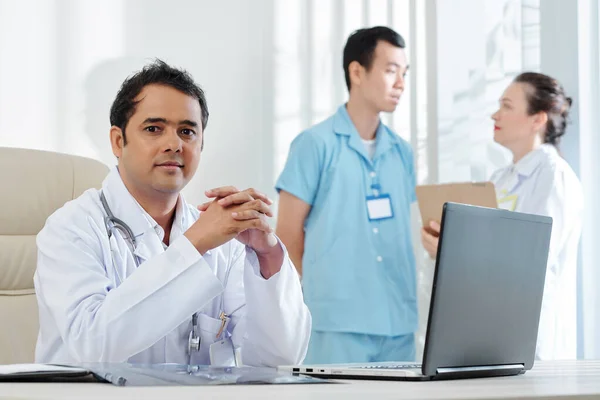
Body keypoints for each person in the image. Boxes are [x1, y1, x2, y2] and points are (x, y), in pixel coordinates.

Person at [34, 60, 311, 366]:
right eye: (154, 129)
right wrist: (193, 246)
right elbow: (91, 345)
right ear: (117, 141)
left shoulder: (225, 240)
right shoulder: (72, 228)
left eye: (187, 131)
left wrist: (267, 255)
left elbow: (279, 360)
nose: (174, 144)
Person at [275, 26, 417, 364]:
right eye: (391, 70)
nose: (400, 83)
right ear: (357, 72)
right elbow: (286, 237)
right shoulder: (314, 145)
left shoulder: (403, 153)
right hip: (335, 324)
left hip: (399, 322)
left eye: (405, 73)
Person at [421, 72, 583, 360]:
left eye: (507, 106)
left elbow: (530, 259)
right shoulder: (500, 178)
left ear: (538, 119)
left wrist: (458, 248)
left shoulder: (553, 176)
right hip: (491, 331)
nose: (495, 114)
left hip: (534, 337)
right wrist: (446, 246)